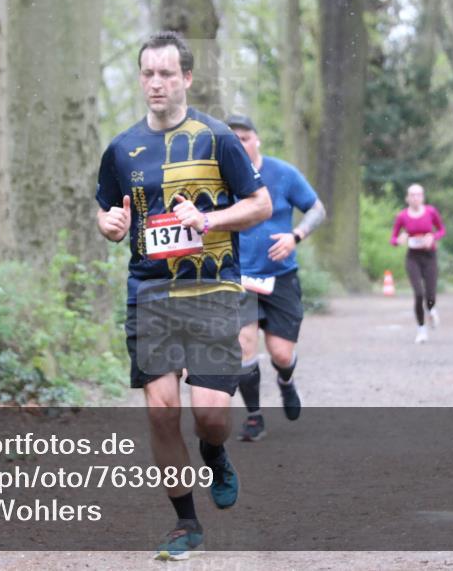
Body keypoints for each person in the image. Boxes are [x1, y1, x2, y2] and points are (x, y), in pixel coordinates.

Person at [95, 31, 272, 561]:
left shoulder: (217, 139)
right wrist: (109, 223)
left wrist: (212, 218)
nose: (155, 83)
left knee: (210, 417)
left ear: (186, 79)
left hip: (213, 290)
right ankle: (185, 522)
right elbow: (104, 207)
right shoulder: (122, 149)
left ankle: (215, 453)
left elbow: (260, 205)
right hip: (150, 292)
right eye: (148, 73)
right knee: (160, 412)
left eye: (166, 74)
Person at [225, 114, 325, 442]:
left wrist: (295, 236)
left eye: (245, 137)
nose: (240, 143)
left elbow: (317, 209)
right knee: (243, 344)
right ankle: (254, 416)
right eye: (233, 138)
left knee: (281, 353)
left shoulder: (282, 173)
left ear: (257, 140)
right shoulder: (219, 177)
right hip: (239, 277)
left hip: (280, 276)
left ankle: (285, 381)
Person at [390, 184, 446, 344]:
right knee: (418, 293)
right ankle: (421, 329)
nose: (415, 198)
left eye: (419, 195)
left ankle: (431, 309)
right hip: (413, 258)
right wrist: (399, 240)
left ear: (423, 197)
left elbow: (442, 230)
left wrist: (433, 237)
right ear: (407, 198)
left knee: (430, 294)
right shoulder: (402, 216)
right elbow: (393, 239)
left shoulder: (430, 212)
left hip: (430, 256)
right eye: (412, 195)